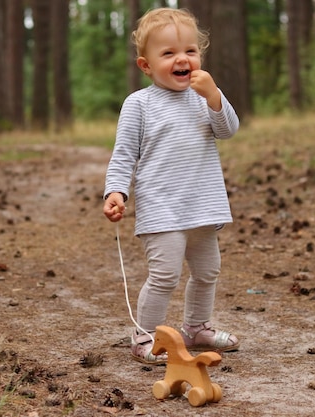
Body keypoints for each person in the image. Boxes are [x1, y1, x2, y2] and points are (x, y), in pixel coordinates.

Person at [103, 7, 240, 364]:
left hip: (203, 204)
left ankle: (195, 328)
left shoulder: (204, 97)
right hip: (161, 206)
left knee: (207, 270)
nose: (182, 59)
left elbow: (227, 130)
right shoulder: (139, 105)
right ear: (146, 65)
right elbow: (123, 155)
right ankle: (145, 337)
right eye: (169, 53)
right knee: (165, 275)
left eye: (190, 51)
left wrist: (214, 96)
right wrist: (116, 191)